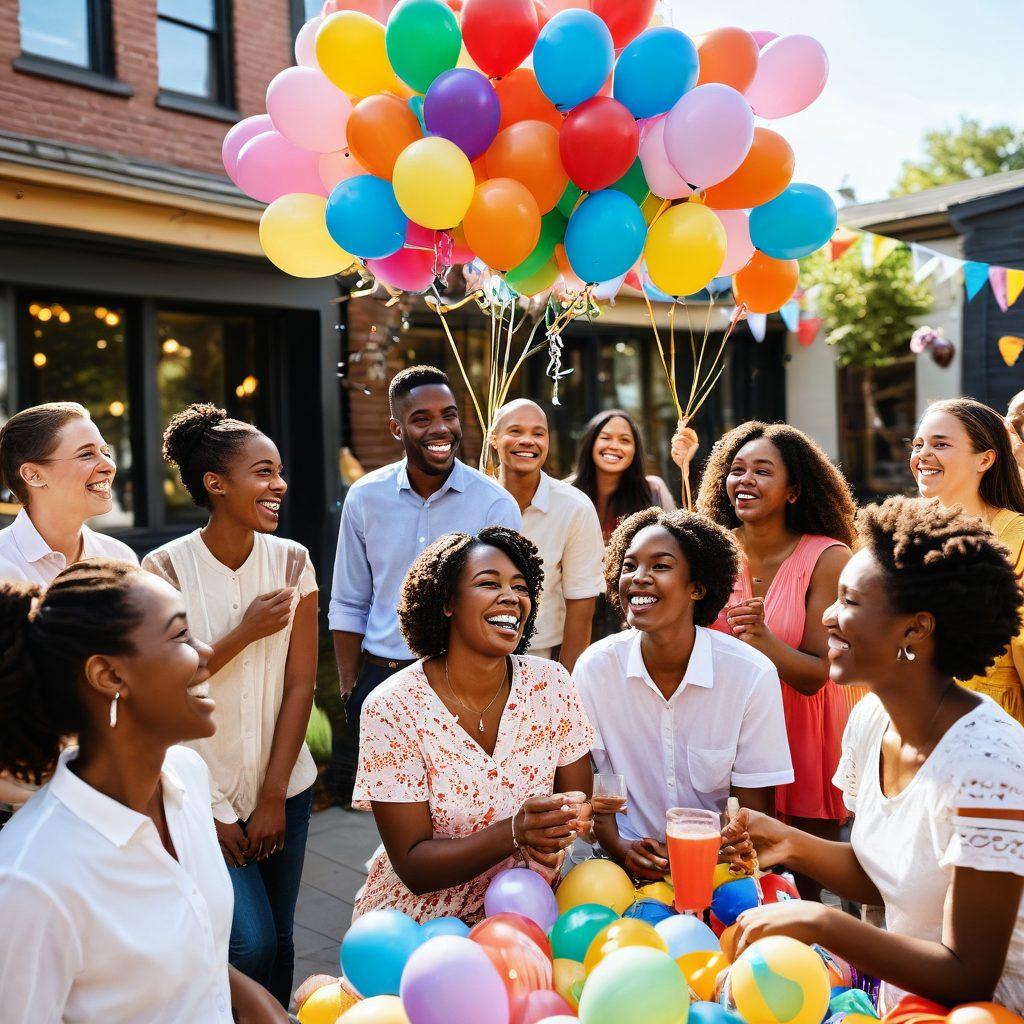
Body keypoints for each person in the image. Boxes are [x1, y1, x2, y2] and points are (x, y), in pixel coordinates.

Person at [725, 497, 1024, 1014]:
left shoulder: (989, 766)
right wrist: (787, 844)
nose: (828, 616)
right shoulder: (870, 719)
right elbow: (886, 877)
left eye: (850, 602)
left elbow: (970, 975)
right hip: (906, 1005)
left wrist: (821, 921)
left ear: (916, 629)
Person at [0, 560, 286, 1023]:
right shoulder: (28, 884)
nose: (205, 652)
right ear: (109, 676)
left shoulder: (188, 777)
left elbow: (171, 953)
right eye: (180, 636)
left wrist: (249, 997)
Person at [142, 404, 317, 1007]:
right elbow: (166, 686)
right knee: (247, 942)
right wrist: (244, 631)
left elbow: (300, 686)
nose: (280, 486)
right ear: (216, 484)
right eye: (263, 473)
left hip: (283, 789)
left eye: (280, 472)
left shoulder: (293, 561)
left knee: (284, 939)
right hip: (198, 793)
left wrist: (274, 795)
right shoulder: (162, 568)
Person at [353, 526, 594, 922]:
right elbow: (414, 866)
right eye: (489, 583)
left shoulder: (551, 684)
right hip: (421, 926)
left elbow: (574, 807)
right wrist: (514, 832)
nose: (511, 598)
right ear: (447, 602)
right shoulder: (392, 707)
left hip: (529, 909)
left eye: (520, 587)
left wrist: (580, 819)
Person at [330, 366, 521, 797]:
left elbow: (509, 605)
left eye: (449, 415)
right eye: (422, 419)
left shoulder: (495, 504)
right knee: (397, 825)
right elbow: (348, 601)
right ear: (396, 428)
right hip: (382, 679)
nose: (440, 428)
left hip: (464, 683)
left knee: (468, 811)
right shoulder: (364, 498)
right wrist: (351, 689)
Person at [573, 507, 793, 881]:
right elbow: (594, 790)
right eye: (629, 566)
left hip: (721, 866)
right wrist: (621, 849)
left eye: (660, 566)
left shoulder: (751, 675)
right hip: (620, 867)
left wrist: (701, 858)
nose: (639, 578)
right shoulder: (595, 670)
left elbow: (753, 815)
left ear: (698, 587)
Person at [696, 422, 856, 897]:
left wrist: (762, 639)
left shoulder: (828, 557)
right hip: (730, 732)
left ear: (793, 491)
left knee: (812, 884)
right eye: (736, 469)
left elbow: (815, 675)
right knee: (731, 879)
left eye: (762, 471)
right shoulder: (711, 553)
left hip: (803, 732)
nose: (744, 480)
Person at [0, 401, 138, 810]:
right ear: (33, 474)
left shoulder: (121, 559)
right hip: (22, 807)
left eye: (105, 451)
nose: (107, 464)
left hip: (113, 792)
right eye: (86, 454)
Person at [911, 398, 1024, 723]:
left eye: (940, 444)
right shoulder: (898, 531)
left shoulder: (1017, 538)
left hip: (993, 730)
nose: (922, 455)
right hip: (909, 725)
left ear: (985, 459)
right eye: (918, 444)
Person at [490, 398, 604, 670]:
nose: (528, 441)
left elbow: (582, 602)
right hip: (472, 654)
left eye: (538, 433)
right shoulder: (475, 499)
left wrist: (566, 682)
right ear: (494, 439)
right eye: (515, 431)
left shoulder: (575, 507)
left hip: (541, 657)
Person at [568, 409, 679, 641]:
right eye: (606, 437)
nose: (614, 446)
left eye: (625, 440)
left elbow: (678, 546)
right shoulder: (566, 493)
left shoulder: (653, 491)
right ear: (590, 442)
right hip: (573, 610)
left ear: (635, 450)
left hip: (635, 608)